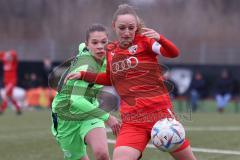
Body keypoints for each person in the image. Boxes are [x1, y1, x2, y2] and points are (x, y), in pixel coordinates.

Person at [65, 4, 197, 160]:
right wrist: (82, 74)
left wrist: (160, 38)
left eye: (130, 27)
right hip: (132, 121)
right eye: (122, 28)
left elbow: (173, 53)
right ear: (114, 26)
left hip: (161, 117)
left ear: (136, 27)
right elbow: (110, 79)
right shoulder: (110, 51)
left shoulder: (146, 42)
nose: (126, 32)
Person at [51, 24, 120, 160]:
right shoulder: (87, 65)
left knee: (102, 154)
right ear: (88, 46)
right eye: (94, 43)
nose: (100, 46)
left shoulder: (103, 56)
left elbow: (81, 45)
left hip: (90, 111)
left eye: (103, 42)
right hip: (66, 117)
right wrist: (108, 118)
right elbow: (76, 100)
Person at [0, 50, 22, 115]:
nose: (8, 57)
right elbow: (1, 55)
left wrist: (9, 53)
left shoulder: (14, 62)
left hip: (12, 81)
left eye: (10, 56)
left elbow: (15, 55)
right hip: (6, 82)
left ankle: (1, 109)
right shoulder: (5, 62)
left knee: (6, 95)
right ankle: (18, 109)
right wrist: (5, 54)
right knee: (10, 96)